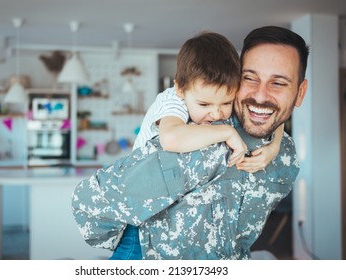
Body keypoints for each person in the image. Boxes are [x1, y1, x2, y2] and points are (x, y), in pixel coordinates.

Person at [71, 26, 309, 259]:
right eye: (250, 78)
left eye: (278, 83)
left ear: (300, 93)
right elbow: (95, 204)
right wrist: (226, 132)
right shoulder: (187, 120)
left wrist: (275, 145)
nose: (260, 94)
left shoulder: (285, 157)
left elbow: (269, 126)